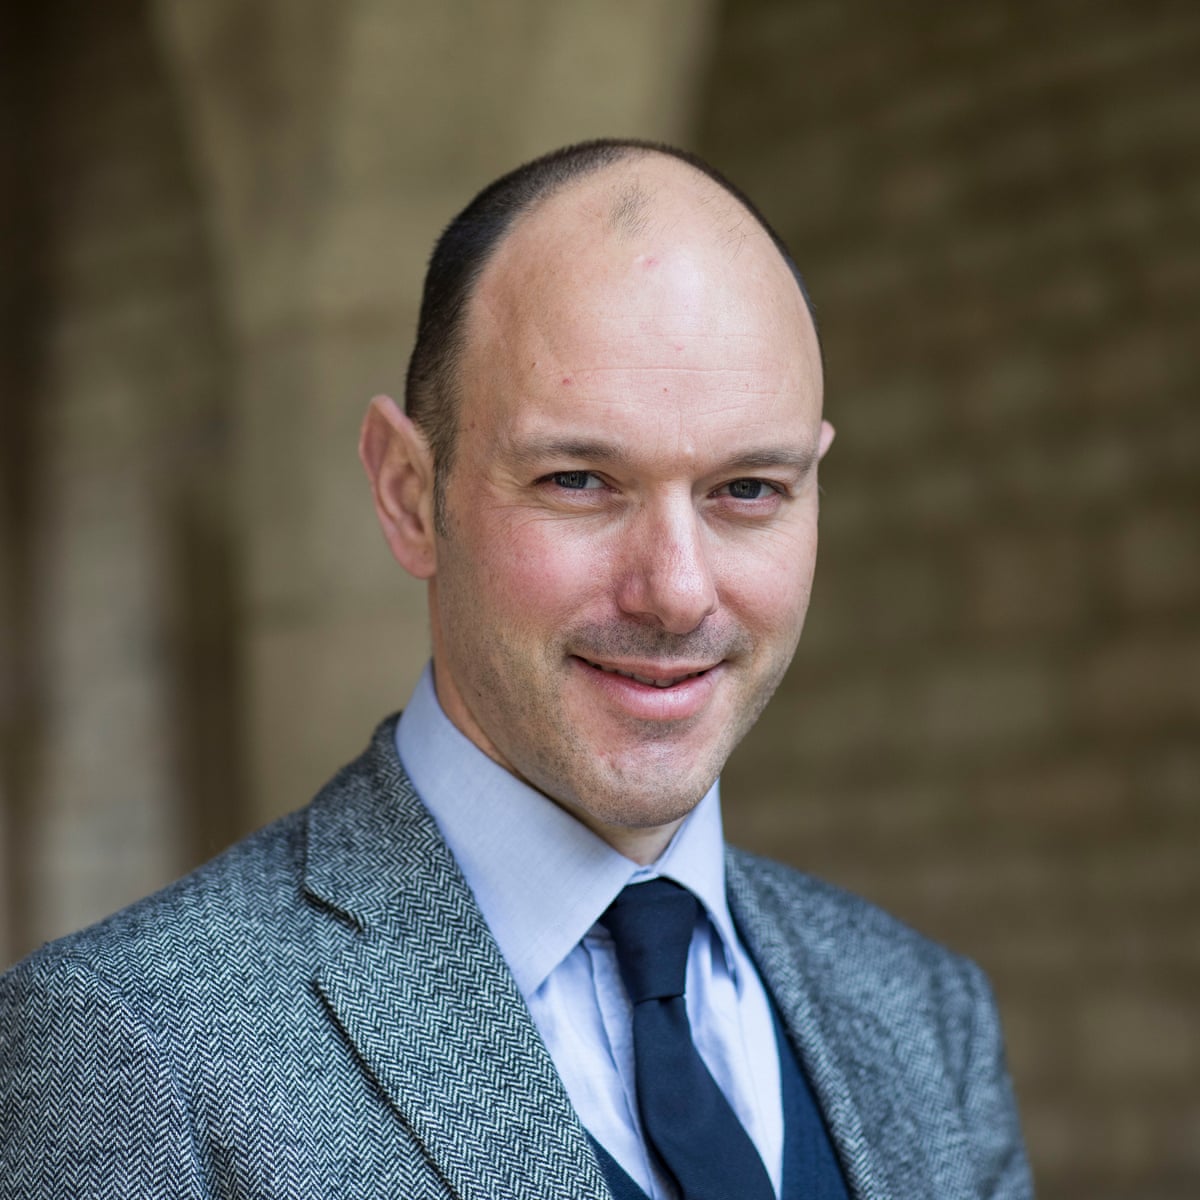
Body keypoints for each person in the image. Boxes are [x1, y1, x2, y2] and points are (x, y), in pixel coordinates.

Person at [0, 140, 1033, 1199]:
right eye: (580, 479)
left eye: (748, 489)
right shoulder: (132, 1049)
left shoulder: (926, 1016)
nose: (677, 592)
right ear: (410, 495)